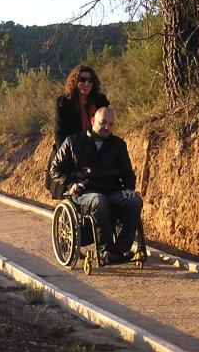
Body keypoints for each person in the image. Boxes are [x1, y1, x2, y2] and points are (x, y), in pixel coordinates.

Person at [49, 107, 145, 266]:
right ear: (93, 121)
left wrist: (129, 188)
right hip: (84, 192)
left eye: (111, 124)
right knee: (99, 200)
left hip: (112, 191)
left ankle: (120, 251)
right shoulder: (73, 142)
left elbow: (127, 172)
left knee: (134, 201)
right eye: (103, 123)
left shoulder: (118, 145)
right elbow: (55, 169)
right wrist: (71, 183)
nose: (107, 127)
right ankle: (105, 251)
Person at [48, 65, 111, 199]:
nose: (86, 84)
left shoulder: (100, 101)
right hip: (73, 148)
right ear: (75, 82)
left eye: (89, 81)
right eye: (82, 80)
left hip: (96, 146)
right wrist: (66, 154)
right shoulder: (64, 103)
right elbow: (60, 132)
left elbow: (107, 124)